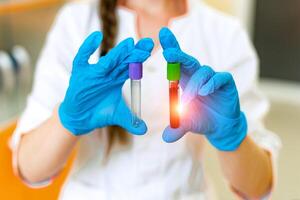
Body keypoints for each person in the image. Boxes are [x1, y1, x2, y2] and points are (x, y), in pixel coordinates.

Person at [11, 0, 281, 199]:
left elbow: (257, 187)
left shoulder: (224, 33)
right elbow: (30, 168)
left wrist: (232, 136)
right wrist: (68, 118)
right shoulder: (77, 21)